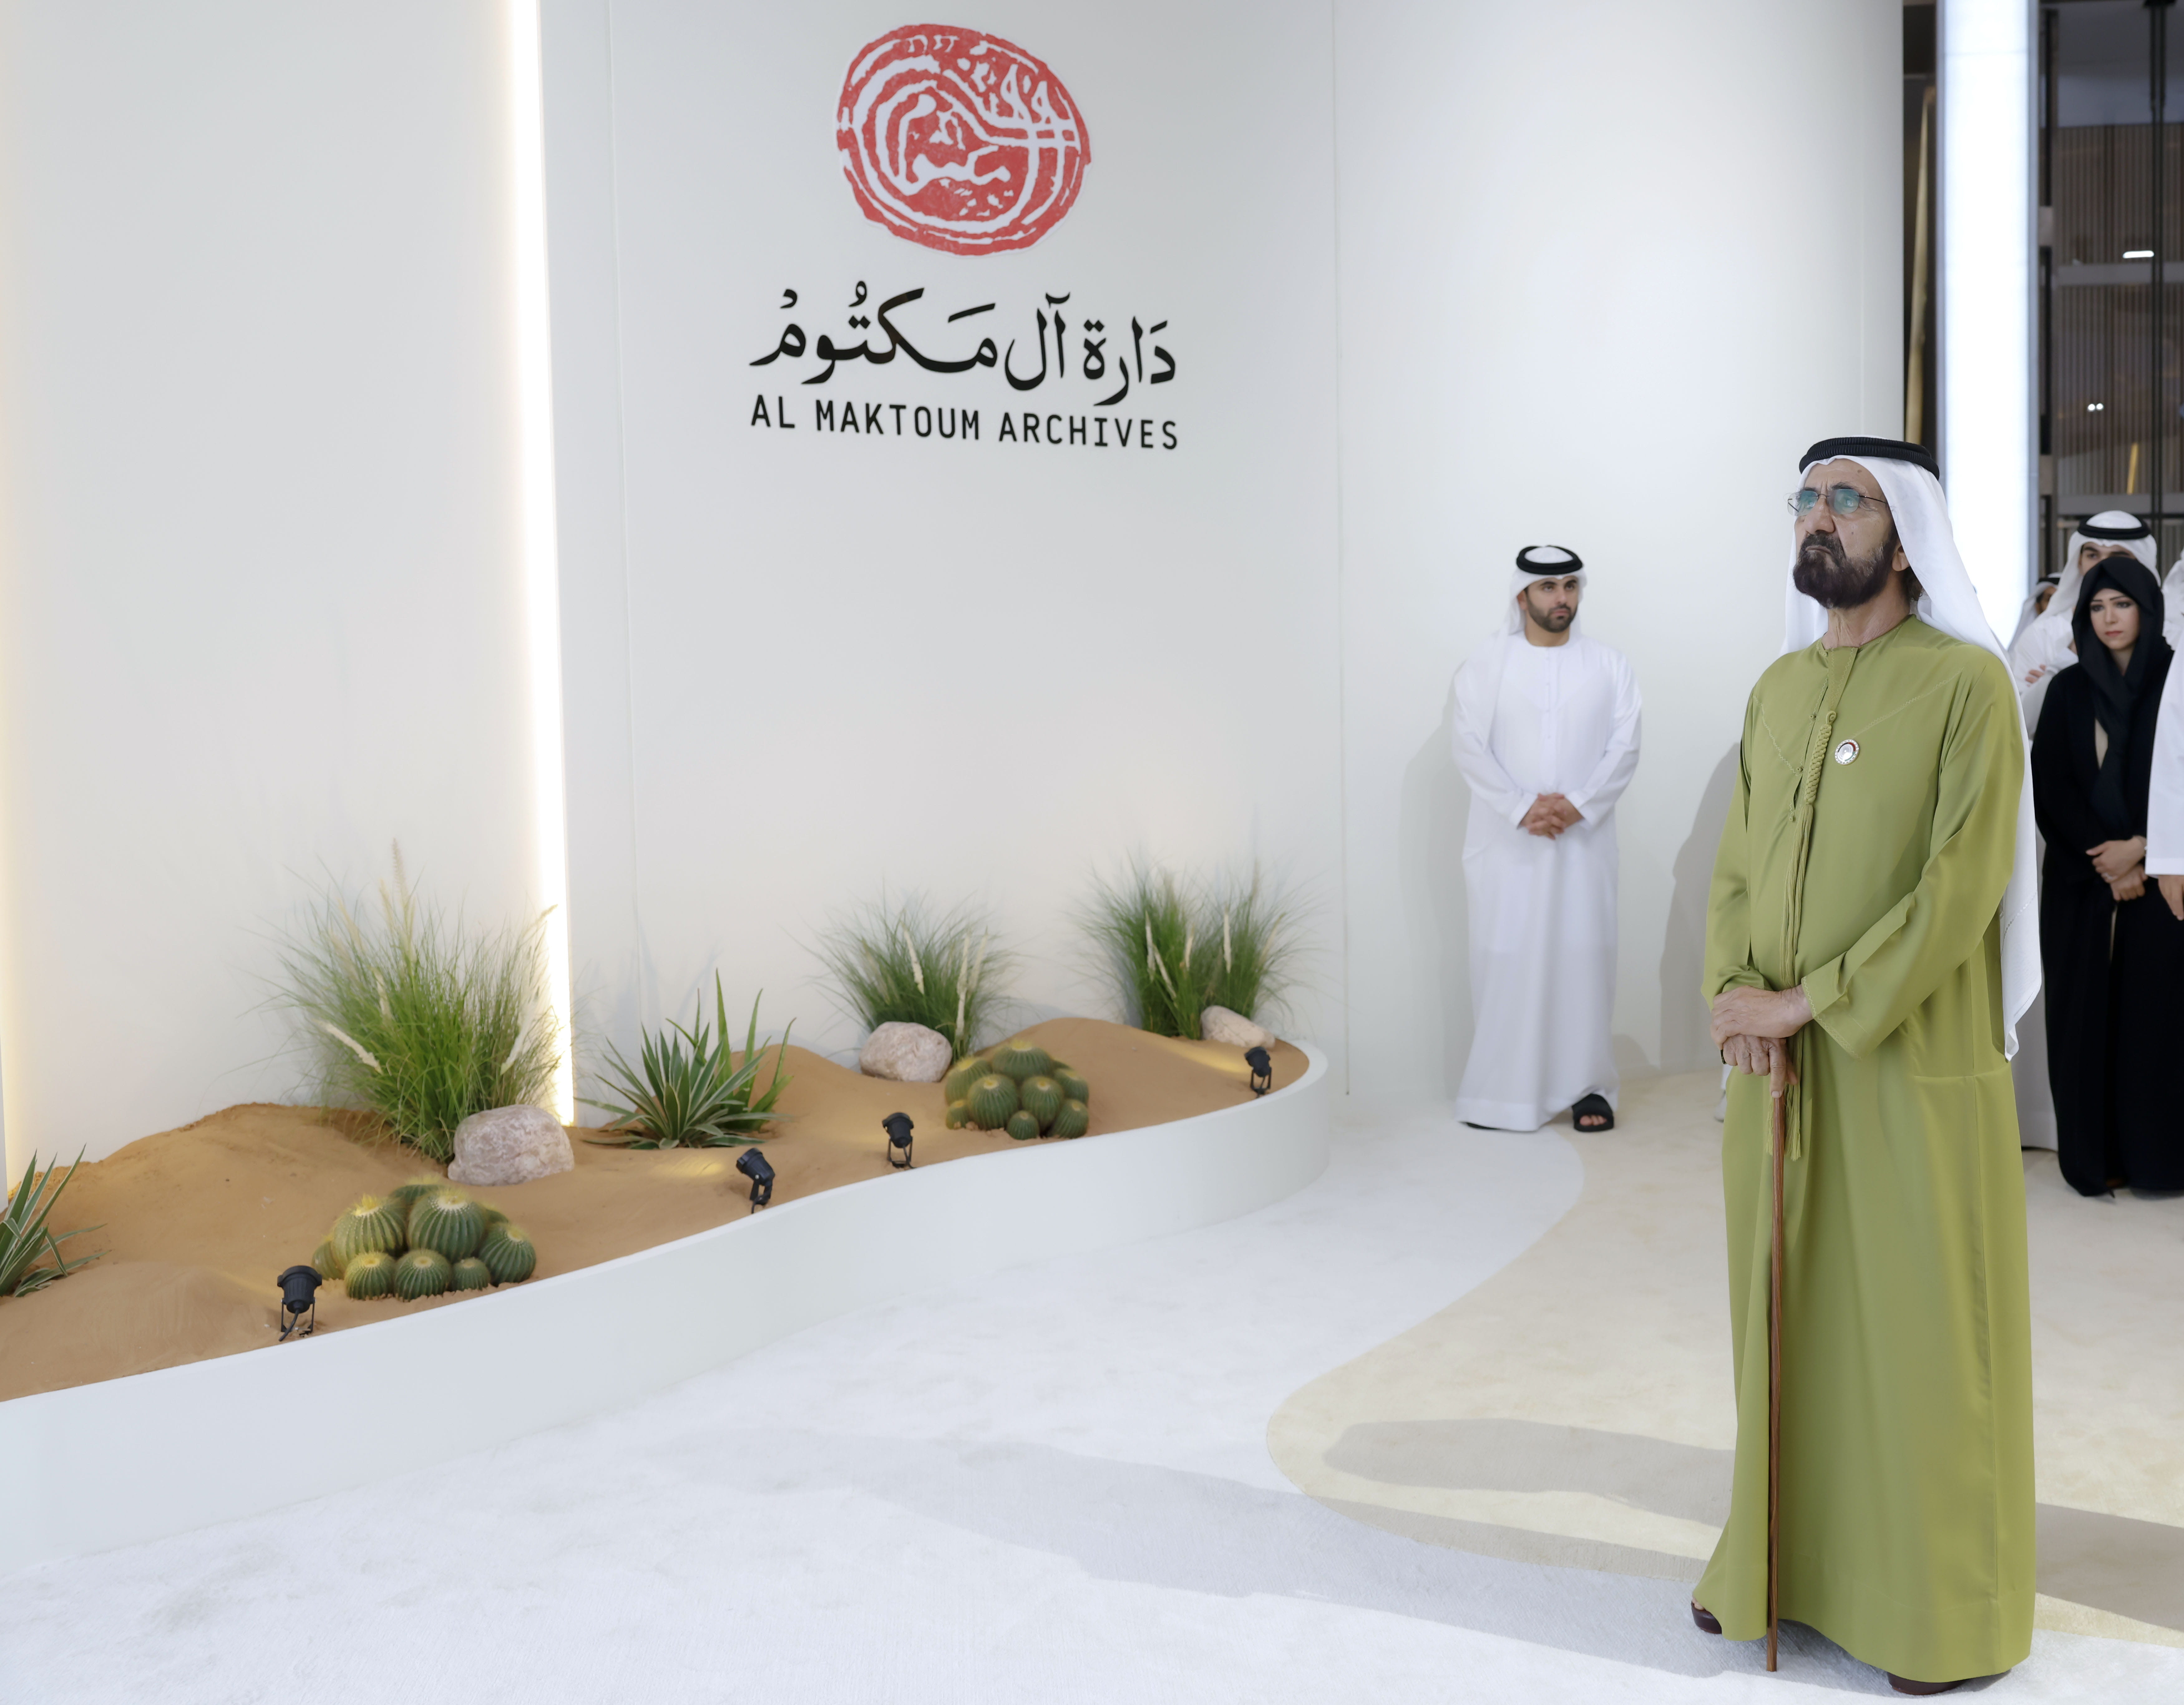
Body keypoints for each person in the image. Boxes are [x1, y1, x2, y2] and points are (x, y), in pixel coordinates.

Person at [1696, 437, 2036, 1695]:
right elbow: (1736, 865)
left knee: (1918, 1339)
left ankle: (1938, 1612)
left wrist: (1811, 1002)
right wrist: (1735, 998)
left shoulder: (1965, 685)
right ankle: (1777, 1569)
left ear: (1906, 537)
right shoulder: (1778, 689)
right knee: (1783, 1320)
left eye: (1848, 499)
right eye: (1807, 497)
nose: (1819, 516)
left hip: (1904, 1060)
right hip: (1777, 1067)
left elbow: (1961, 887)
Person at [1449, 545, 1641, 1133]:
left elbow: (1626, 744)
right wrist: (1521, 807)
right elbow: (1467, 745)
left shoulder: (1610, 665)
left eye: (1571, 586)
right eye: (1549, 587)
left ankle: (1589, 1088)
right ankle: (1501, 1092)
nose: (1562, 598)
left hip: (1584, 848)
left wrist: (1577, 804)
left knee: (1585, 959)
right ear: (1522, 595)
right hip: (1509, 850)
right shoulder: (1485, 665)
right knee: (1507, 959)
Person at [2032, 555, 2184, 1195]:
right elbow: (2050, 787)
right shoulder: (2068, 690)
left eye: (2121, 604)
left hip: (2162, 884)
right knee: (2083, 1024)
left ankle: (2157, 1159)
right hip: (2082, 884)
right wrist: (2105, 858)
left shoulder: (2176, 681)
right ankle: (2095, 1158)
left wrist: (2144, 850)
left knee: (2155, 1025)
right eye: (2096, 607)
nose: (2109, 618)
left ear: (2146, 609)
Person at [2011, 512, 2157, 730]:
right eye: (2093, 555)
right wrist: (2062, 668)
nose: (2103, 566)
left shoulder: (2173, 633)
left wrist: (2054, 690)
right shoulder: (2044, 633)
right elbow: (2023, 724)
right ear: (2079, 563)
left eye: (2118, 556)